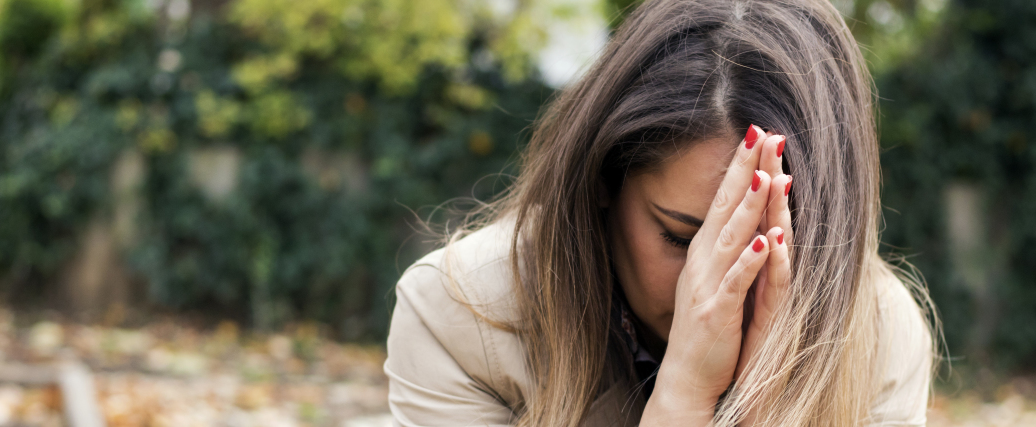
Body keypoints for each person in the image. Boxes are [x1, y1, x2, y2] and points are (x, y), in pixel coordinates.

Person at [384, 0, 937, 425]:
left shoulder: (878, 334)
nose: (716, 289)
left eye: (769, 249)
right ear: (603, 180)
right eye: (679, 237)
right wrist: (682, 401)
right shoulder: (461, 319)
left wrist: (768, 406)